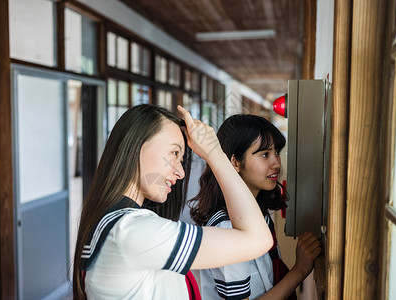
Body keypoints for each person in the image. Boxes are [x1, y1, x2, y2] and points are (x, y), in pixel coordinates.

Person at [72, 104, 274, 300]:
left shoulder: (116, 223)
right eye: (174, 153)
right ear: (136, 146)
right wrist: (214, 153)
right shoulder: (132, 231)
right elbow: (259, 240)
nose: (181, 172)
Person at [190, 114, 321, 300]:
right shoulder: (227, 229)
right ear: (235, 162)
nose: (276, 163)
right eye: (264, 155)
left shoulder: (258, 212)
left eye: (276, 152)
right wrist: (299, 270)